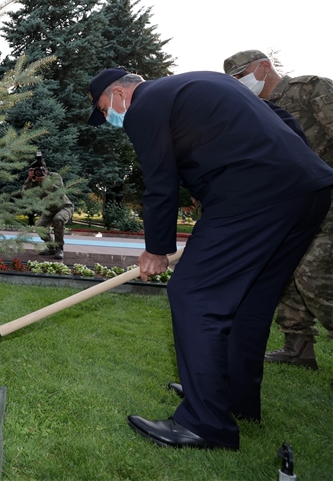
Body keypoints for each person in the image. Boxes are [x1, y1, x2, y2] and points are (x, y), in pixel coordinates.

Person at [87, 68, 333, 450]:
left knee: (193, 294)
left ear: (119, 93)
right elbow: (282, 120)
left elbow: (159, 179)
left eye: (104, 110)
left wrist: (156, 249)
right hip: (309, 190)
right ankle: (232, 398)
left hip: (255, 195)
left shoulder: (145, 104)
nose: (109, 119)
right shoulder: (201, 81)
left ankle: (205, 424)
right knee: (250, 301)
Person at [223, 50, 333, 378]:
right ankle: (298, 347)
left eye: (242, 76)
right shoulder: (254, 110)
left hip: (328, 202)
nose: (241, 84)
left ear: (263, 67)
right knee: (283, 273)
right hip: (288, 207)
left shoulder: (309, 89)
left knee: (313, 274)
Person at [23, 154, 74, 260]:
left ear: (45, 169)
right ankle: (51, 247)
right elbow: (24, 194)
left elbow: (59, 192)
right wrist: (29, 179)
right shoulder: (34, 181)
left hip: (64, 207)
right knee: (39, 226)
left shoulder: (55, 176)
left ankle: (59, 248)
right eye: (36, 170)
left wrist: (45, 181)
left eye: (40, 169)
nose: (39, 172)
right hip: (49, 210)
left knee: (58, 219)